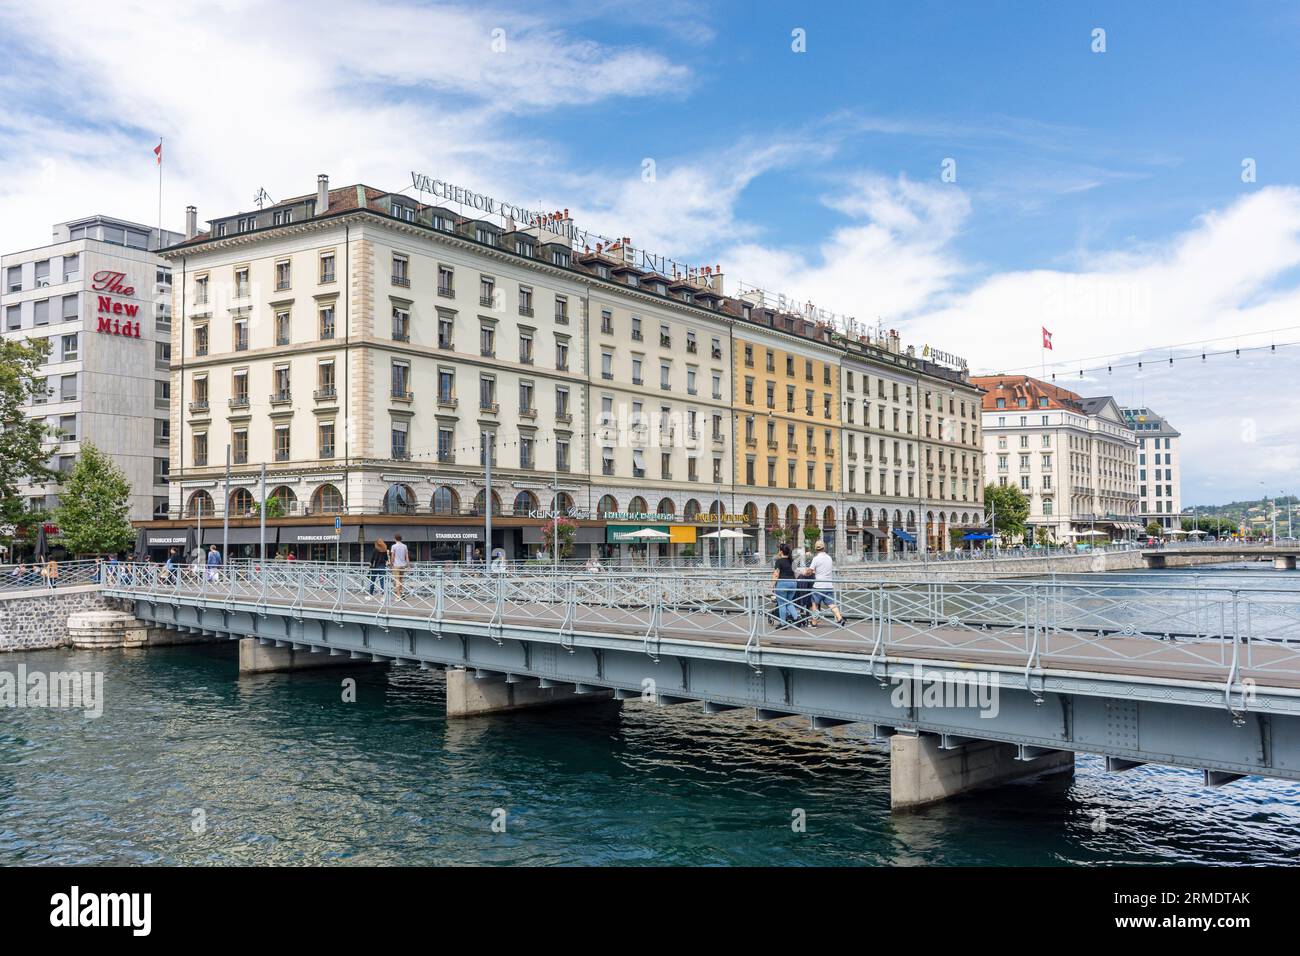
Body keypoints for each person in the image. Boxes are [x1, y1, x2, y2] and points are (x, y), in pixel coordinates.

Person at [807, 540, 844, 627]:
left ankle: (814, 622)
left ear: (816, 548)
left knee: (814, 603)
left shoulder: (816, 559)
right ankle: (839, 618)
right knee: (831, 603)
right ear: (824, 547)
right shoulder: (829, 558)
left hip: (819, 585)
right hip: (828, 585)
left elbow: (810, 571)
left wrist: (805, 572)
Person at [771, 543, 799, 626]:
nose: (778, 551)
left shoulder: (779, 561)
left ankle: (783, 624)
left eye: (779, 550)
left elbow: (776, 574)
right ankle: (796, 619)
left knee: (782, 604)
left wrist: (772, 585)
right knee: (789, 602)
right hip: (793, 583)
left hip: (782, 583)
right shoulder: (792, 561)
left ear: (781, 551)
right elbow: (796, 572)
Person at [389, 533, 409, 600]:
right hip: (403, 565)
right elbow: (406, 556)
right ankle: (401, 593)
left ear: (395, 539)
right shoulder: (405, 546)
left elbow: (392, 556)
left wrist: (391, 564)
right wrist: (408, 565)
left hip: (396, 565)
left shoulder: (393, 546)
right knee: (401, 579)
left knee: (397, 580)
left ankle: (398, 595)